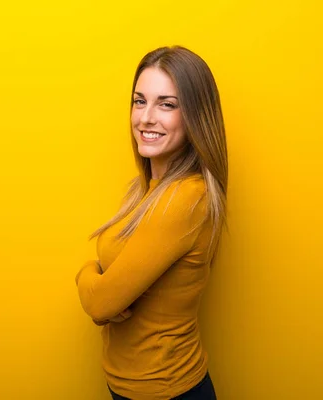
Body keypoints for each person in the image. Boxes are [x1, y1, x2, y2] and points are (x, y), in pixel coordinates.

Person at [75, 45, 228, 400]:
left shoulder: (185, 199)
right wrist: (106, 284)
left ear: (195, 117)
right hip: (132, 387)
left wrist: (86, 273)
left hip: (167, 392)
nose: (146, 118)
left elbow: (100, 305)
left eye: (167, 104)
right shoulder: (146, 190)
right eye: (139, 101)